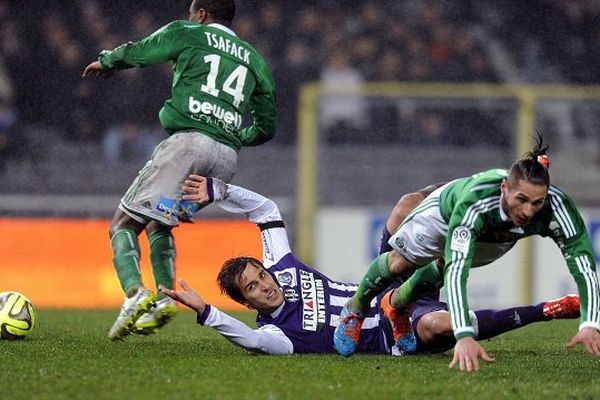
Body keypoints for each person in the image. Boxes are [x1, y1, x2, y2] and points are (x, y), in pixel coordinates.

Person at [159, 174, 580, 355]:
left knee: (406, 206)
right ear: (247, 302)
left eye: (260, 276)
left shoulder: (282, 268)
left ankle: (476, 193)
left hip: (382, 290)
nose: (265, 285)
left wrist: (218, 189)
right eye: (252, 288)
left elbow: (266, 209)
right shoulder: (277, 335)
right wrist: (207, 313)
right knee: (443, 324)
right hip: (395, 338)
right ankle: (551, 309)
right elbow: (248, 343)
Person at [82, 0, 277, 340]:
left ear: (201, 14)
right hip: (224, 161)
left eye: (192, 13)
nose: (190, 18)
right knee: (160, 223)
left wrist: (109, 60)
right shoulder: (253, 58)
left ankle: (134, 295)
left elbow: (145, 50)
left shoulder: (189, 33)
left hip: (187, 146)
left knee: (123, 225)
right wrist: (236, 136)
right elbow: (267, 124)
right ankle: (164, 298)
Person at [334, 134, 600, 371]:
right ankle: (357, 306)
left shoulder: (558, 209)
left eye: (537, 203)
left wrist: (590, 323)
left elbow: (583, 265)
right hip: (444, 214)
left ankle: (396, 307)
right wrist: (463, 336)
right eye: (521, 199)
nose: (529, 211)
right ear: (504, 188)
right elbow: (457, 270)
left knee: (439, 266)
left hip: (497, 236)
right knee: (400, 263)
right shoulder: (476, 203)